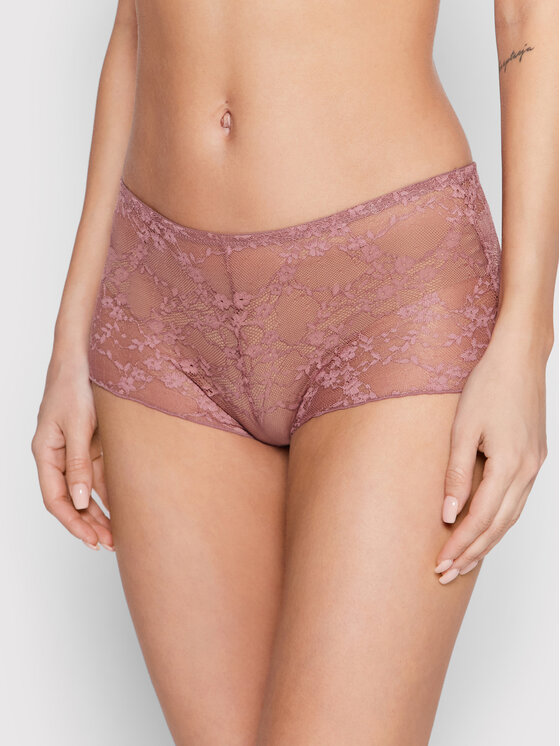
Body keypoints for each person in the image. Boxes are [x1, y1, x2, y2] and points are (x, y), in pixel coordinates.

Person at [31, 0, 557, 743]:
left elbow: (529, 16)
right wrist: (72, 338)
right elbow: (133, 26)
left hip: (389, 296)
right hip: (161, 308)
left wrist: (528, 338)